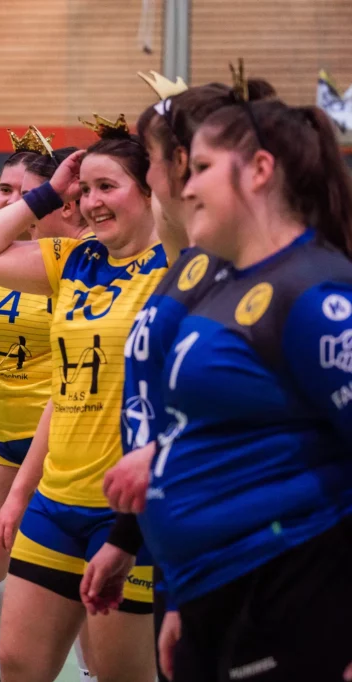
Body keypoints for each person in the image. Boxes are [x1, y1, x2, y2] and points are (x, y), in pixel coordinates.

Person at [138, 91, 352, 682]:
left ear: (259, 170)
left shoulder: (316, 294)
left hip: (289, 589)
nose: (186, 188)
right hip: (211, 594)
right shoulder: (223, 284)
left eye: (203, 168)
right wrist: (182, 598)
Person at [0, 117, 168, 682]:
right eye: (85, 189)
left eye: (108, 186)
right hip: (56, 500)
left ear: (151, 191)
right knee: (19, 664)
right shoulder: (74, 259)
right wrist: (48, 192)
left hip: (127, 507)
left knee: (119, 672)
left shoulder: (178, 266)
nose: (91, 202)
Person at [80, 70, 277, 682]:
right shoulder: (189, 272)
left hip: (255, 552)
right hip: (186, 547)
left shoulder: (280, 282)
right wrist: (130, 537)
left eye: (155, 155)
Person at [0, 129, 97, 682]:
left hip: (62, 439)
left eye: (21, 192)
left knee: (70, 570)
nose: (9, 201)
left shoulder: (78, 258)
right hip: (2, 432)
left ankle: (91, 670)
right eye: (2, 190)